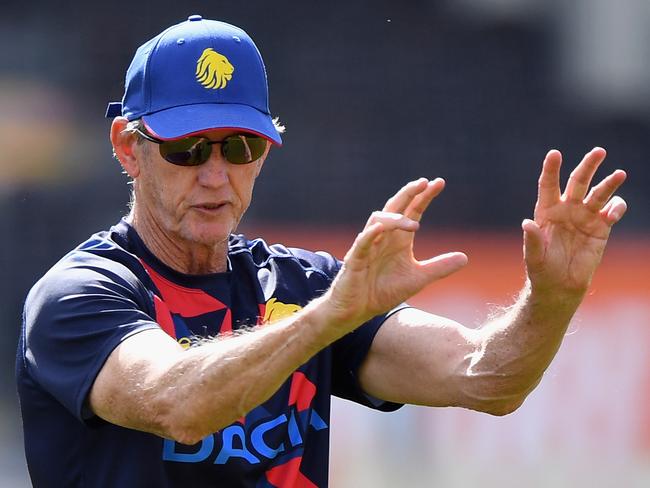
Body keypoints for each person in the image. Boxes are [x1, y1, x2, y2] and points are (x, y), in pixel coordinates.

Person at [16, 15, 627, 488]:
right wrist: (329, 317)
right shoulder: (80, 294)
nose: (215, 175)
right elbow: (179, 401)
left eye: (240, 148)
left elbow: (488, 380)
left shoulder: (304, 286)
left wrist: (552, 298)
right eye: (187, 150)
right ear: (128, 148)